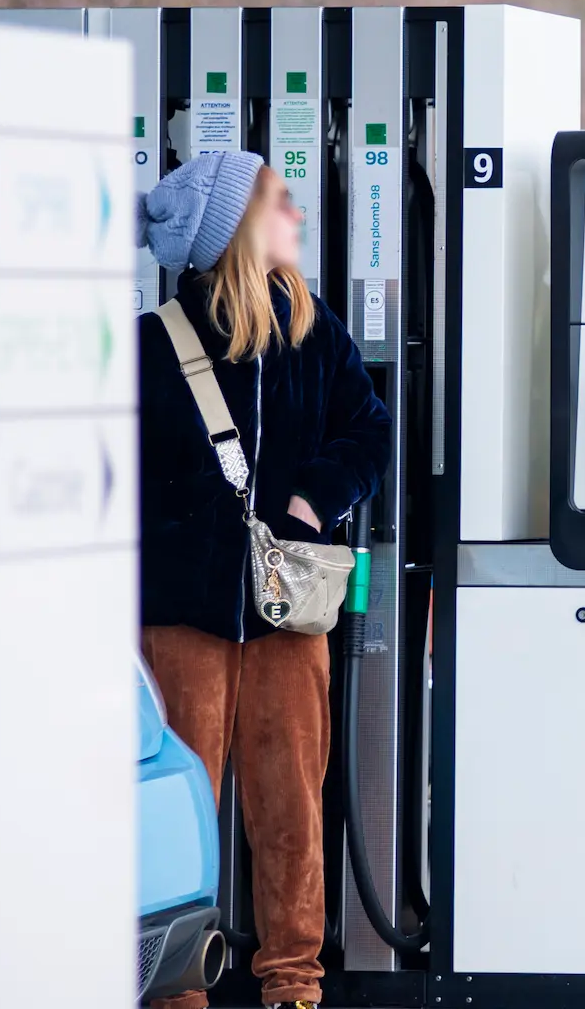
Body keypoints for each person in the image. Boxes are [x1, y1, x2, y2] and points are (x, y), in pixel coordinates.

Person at [136, 151, 391, 1009]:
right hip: (177, 622)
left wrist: (312, 500)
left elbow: (371, 432)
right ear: (239, 225)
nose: (299, 215)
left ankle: (294, 988)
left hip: (287, 619)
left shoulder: (313, 332)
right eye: (281, 200)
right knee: (178, 821)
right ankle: (175, 994)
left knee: (291, 820)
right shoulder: (153, 344)